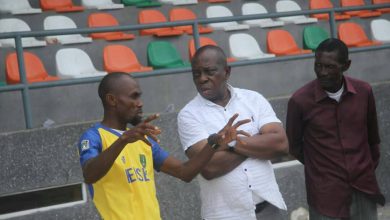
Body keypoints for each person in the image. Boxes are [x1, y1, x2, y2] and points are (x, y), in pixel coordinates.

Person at [77, 72, 251, 220]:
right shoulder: (94, 137)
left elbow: (185, 172)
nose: (140, 103)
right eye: (134, 96)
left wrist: (213, 144)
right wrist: (123, 139)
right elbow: (90, 175)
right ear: (112, 100)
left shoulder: (142, 139)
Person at [177, 45, 288, 220]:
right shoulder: (188, 115)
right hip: (225, 215)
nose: (202, 79)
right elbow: (207, 167)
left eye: (209, 72)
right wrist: (257, 144)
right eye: (196, 74)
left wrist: (227, 144)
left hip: (268, 210)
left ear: (227, 72)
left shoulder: (253, 99)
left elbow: (280, 144)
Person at [286, 38, 385, 220]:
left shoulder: (364, 92)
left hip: (363, 188)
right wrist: (322, 170)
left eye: (330, 67)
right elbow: (294, 146)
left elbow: (373, 139)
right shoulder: (300, 101)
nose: (322, 72)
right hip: (325, 195)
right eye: (318, 65)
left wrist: (364, 169)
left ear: (346, 65)